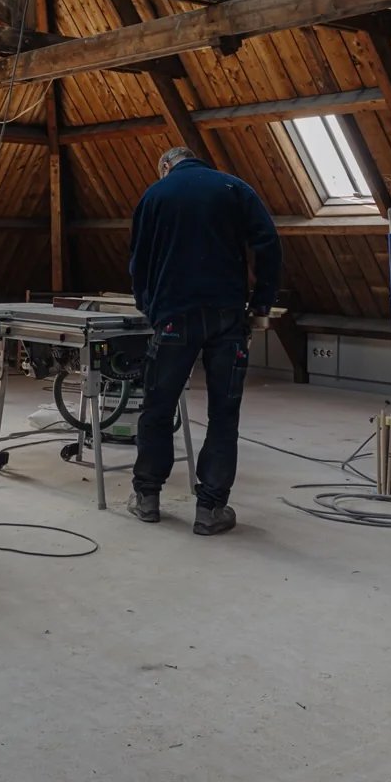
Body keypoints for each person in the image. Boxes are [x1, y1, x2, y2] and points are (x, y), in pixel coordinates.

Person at [125, 146, 281, 535]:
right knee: (223, 414)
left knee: (158, 408)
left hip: (174, 316)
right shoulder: (235, 188)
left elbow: (138, 259)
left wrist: (149, 307)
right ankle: (210, 509)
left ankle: (147, 498)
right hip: (228, 316)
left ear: (166, 166)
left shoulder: (155, 194)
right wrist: (261, 302)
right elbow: (268, 244)